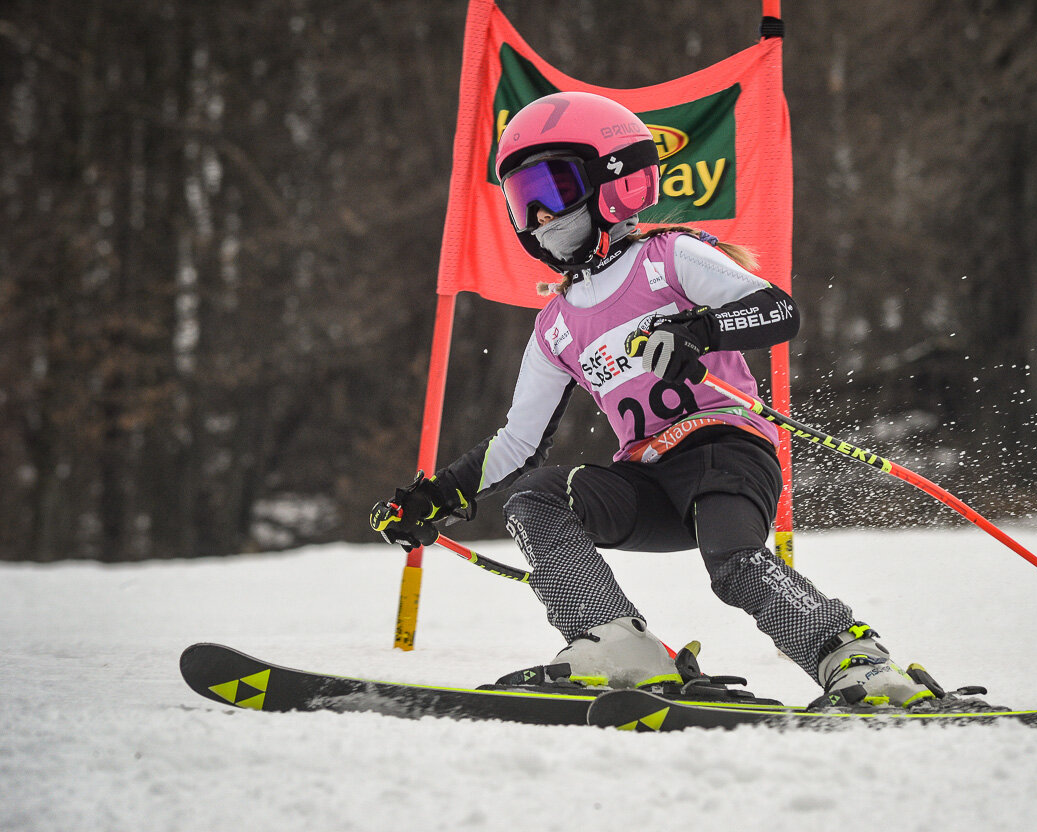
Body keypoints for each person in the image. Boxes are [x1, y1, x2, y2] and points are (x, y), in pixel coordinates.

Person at [370, 91, 935, 709]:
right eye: (519, 200)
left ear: (615, 181)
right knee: (538, 499)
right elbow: (519, 441)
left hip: (725, 451)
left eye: (550, 190)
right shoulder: (556, 323)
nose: (535, 217)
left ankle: (856, 663)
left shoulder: (668, 259)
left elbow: (777, 309)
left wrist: (701, 330)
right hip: (650, 479)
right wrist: (438, 496)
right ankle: (619, 648)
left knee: (735, 565)